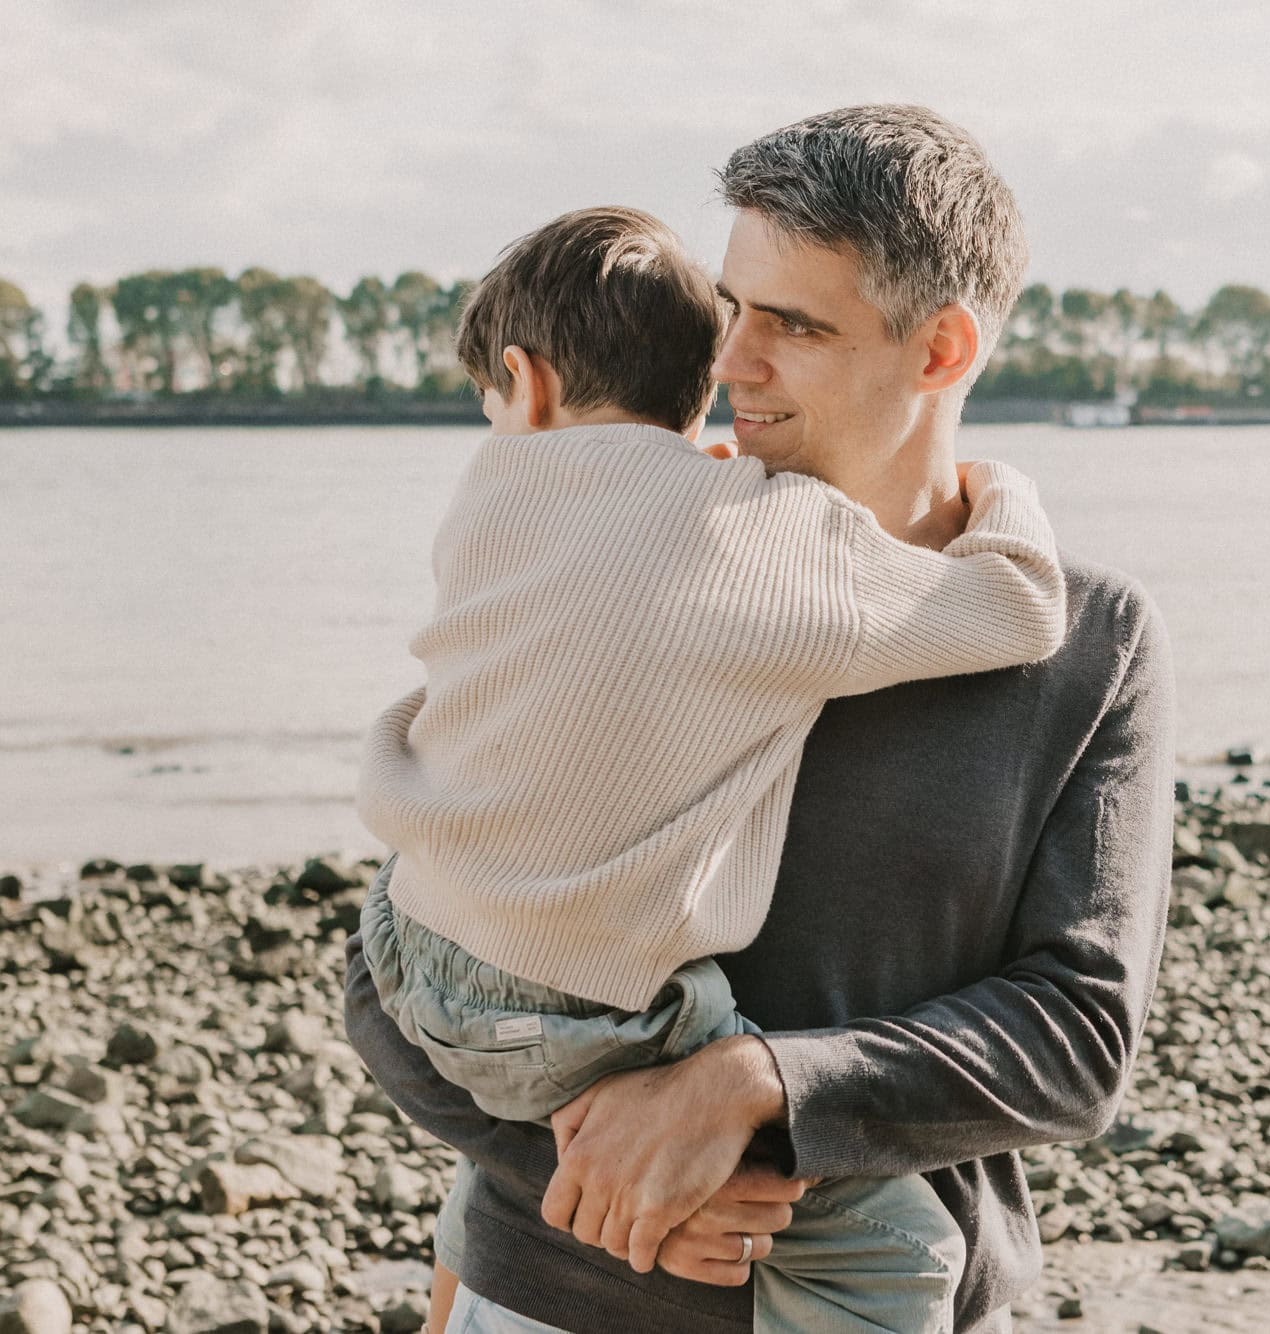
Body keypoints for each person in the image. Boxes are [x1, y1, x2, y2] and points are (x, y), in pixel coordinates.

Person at [344, 104, 1176, 1334]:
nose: (729, 360)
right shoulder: (619, 567)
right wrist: (612, 1175)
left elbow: (1074, 1034)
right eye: (732, 306)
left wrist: (756, 1089)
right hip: (544, 1290)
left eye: (792, 322)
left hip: (903, 1297)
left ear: (941, 350)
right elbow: (401, 958)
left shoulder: (1088, 639)